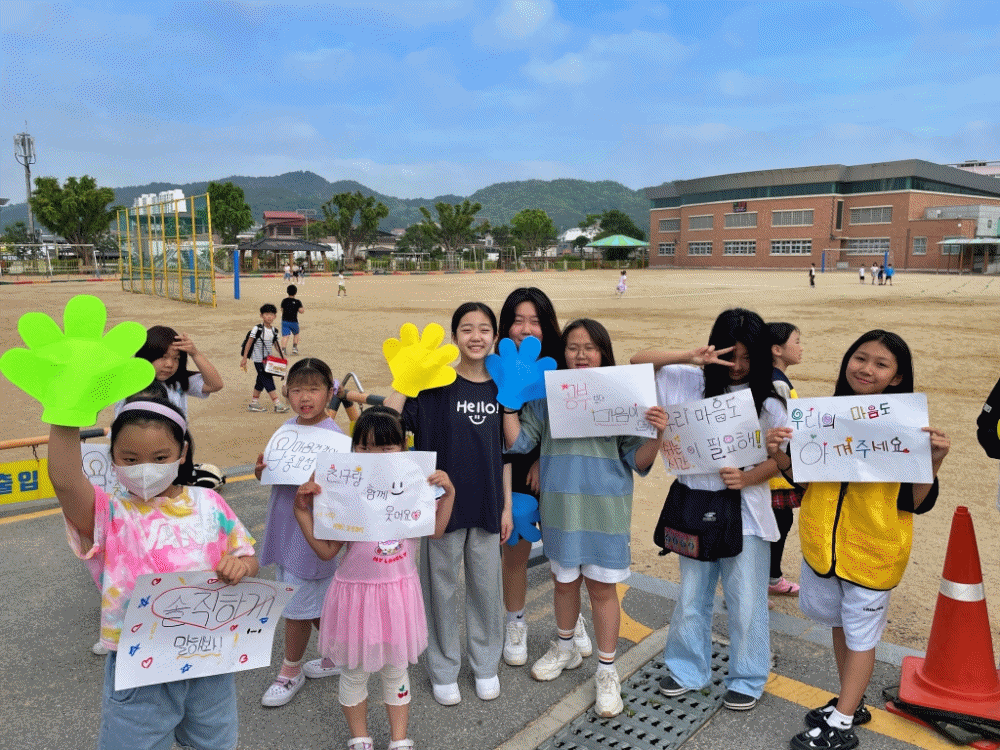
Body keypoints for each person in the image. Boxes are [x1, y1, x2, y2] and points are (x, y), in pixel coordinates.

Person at [765, 330, 950, 750]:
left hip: (872, 552)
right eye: (860, 358)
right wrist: (779, 455)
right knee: (839, 625)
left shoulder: (905, 428)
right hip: (823, 549)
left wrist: (934, 461)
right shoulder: (823, 417)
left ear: (897, 377)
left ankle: (843, 720)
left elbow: (915, 503)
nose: (866, 369)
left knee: (862, 636)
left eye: (881, 364)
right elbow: (805, 482)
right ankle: (852, 701)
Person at [48, 396, 259, 750]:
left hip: (209, 660)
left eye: (160, 458)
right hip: (141, 665)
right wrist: (65, 408)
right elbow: (66, 481)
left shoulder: (210, 503)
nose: (145, 469)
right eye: (130, 459)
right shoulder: (109, 514)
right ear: (112, 458)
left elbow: (247, 557)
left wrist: (242, 566)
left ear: (182, 451)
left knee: (216, 743)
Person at [505, 318, 666, 718]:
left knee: (602, 590)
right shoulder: (548, 395)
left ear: (603, 353)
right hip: (561, 510)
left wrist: (657, 434)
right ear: (563, 352)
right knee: (563, 584)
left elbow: (637, 460)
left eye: (589, 348)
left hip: (606, 511)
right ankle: (565, 648)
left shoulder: (622, 395)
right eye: (573, 347)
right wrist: (509, 402)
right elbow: (520, 442)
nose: (580, 355)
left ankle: (607, 671)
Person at [631, 308, 787, 713]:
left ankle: (748, 677)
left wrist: (749, 478)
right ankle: (687, 670)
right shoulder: (687, 379)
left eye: (748, 357)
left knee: (746, 600)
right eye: (730, 355)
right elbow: (637, 361)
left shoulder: (771, 397)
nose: (738, 366)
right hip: (693, 505)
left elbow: (783, 460)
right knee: (692, 594)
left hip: (746, 512)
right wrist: (690, 355)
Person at [293, 406, 456, 750]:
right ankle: (359, 738)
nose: (374, 455)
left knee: (396, 669)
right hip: (355, 597)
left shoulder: (415, 486)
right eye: (364, 447)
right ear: (353, 449)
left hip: (398, 595)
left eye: (386, 447)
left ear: (403, 448)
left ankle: (399, 739)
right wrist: (301, 511)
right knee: (354, 670)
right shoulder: (344, 494)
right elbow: (327, 551)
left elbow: (437, 532)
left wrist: (449, 495)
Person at [385, 303, 513, 707]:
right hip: (440, 509)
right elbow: (387, 423)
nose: (476, 337)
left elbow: (506, 454)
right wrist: (405, 382)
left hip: (488, 503)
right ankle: (442, 669)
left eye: (484, 329)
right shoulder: (435, 384)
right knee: (439, 590)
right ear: (454, 336)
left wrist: (507, 507)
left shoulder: (502, 387)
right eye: (466, 329)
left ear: (495, 336)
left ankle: (486, 664)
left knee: (486, 590)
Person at [494, 288, 590, 668]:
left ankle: (571, 620)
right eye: (518, 321)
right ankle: (515, 622)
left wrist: (540, 459)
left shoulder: (561, 371)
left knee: (563, 554)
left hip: (552, 466)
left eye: (535, 321)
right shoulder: (495, 367)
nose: (526, 329)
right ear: (506, 326)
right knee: (515, 553)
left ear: (548, 327)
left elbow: (573, 424)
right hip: (507, 470)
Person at [256, 358, 345, 707]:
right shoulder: (287, 428)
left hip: (311, 535)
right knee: (313, 602)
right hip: (286, 527)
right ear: (285, 392)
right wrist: (261, 470)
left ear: (329, 392)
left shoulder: (336, 440)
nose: (304, 397)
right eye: (296, 390)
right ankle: (340, 655)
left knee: (296, 607)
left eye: (313, 389)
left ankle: (290, 671)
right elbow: (272, 477)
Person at [766, 322, 804, 599]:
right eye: (797, 341)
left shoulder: (776, 378)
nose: (801, 348)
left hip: (777, 467)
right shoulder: (777, 383)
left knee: (779, 522)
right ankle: (770, 578)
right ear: (777, 350)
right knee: (778, 523)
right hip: (776, 470)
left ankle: (769, 576)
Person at [115, 325, 223, 417]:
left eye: (176, 358)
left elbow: (215, 384)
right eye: (163, 357)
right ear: (147, 356)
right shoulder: (130, 385)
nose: (170, 364)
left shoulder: (178, 381)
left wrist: (195, 354)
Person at [240, 303, 290, 413]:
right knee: (267, 379)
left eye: (271, 314)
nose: (269, 317)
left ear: (275, 316)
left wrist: (283, 356)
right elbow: (249, 342)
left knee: (261, 380)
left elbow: (276, 345)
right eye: (266, 314)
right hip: (258, 360)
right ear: (261, 316)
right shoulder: (257, 329)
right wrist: (244, 358)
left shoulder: (274, 331)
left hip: (268, 361)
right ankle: (277, 404)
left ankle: (254, 403)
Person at [280, 284, 304, 356]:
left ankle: (283, 350)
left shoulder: (284, 301)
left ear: (287, 292)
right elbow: (301, 311)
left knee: (285, 336)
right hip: (294, 321)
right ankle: (294, 348)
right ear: (295, 292)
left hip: (285, 321)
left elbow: (282, 309)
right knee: (296, 334)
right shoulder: (297, 302)